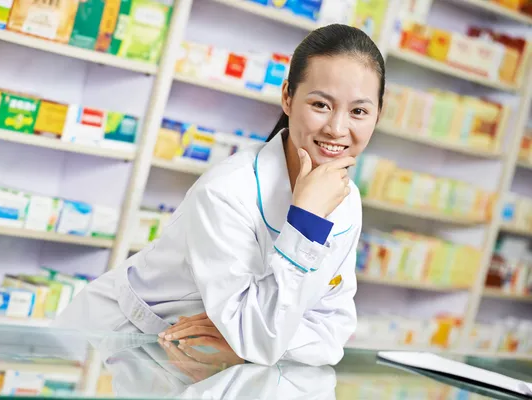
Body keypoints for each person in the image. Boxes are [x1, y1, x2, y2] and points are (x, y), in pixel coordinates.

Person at [54, 23, 385, 366]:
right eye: (321, 104)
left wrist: (246, 340)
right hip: (114, 348)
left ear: (378, 114)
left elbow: (332, 336)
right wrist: (306, 223)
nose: (337, 128)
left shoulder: (347, 204)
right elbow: (260, 339)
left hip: (202, 366)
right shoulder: (227, 190)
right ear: (287, 96)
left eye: (359, 111)